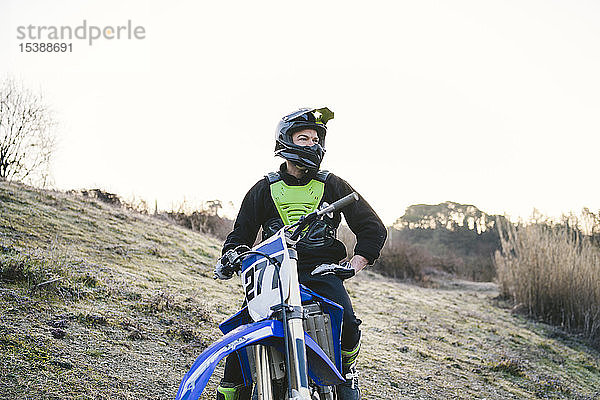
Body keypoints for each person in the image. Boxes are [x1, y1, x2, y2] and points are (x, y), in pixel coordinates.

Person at [214, 107, 387, 400]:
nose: (312, 144)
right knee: (241, 337)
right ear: (287, 141)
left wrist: (354, 265)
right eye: (304, 138)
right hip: (272, 271)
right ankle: (232, 390)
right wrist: (231, 255)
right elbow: (239, 234)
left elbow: (372, 228)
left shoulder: (332, 184)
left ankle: (347, 373)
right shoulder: (263, 188)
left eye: (316, 139)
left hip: (322, 270)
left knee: (348, 324)